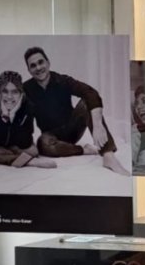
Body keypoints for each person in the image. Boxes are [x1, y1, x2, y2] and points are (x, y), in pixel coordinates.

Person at [22, 47, 129, 176]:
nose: (38, 68)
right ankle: (83, 150)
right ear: (29, 70)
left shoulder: (63, 80)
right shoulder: (26, 89)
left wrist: (97, 125)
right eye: (33, 65)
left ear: (48, 63)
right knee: (43, 143)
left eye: (41, 62)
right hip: (51, 136)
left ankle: (108, 156)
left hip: (72, 128)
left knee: (86, 102)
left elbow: (90, 92)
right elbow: (19, 113)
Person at [0, 71, 57, 168]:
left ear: (21, 93)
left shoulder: (28, 106)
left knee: (33, 151)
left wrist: (12, 114)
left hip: (16, 145)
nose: (9, 96)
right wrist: (4, 117)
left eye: (15, 92)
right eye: (5, 91)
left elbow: (25, 142)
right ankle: (27, 161)